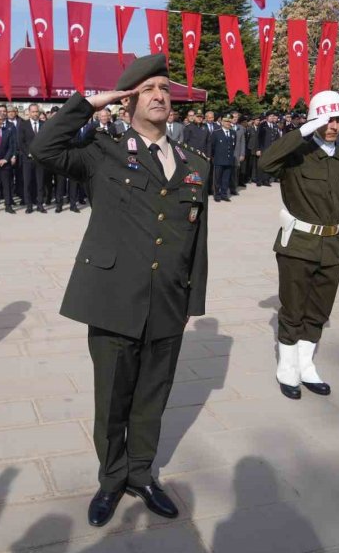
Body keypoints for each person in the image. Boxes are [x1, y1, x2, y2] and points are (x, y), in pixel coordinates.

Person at [31, 53, 209, 528]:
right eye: (148, 89)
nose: (160, 96)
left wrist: (193, 301)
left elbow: (198, 240)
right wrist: (88, 105)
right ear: (129, 100)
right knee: (112, 398)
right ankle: (111, 479)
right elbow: (43, 149)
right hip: (113, 299)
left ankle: (141, 473)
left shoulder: (195, 164)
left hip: (168, 300)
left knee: (154, 394)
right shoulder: (103, 150)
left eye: (166, 89)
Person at [259, 90, 339, 401]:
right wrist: (302, 130)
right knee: (293, 309)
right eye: (328, 119)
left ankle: (306, 366)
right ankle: (287, 368)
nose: (334, 126)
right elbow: (265, 163)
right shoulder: (296, 154)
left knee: (318, 310)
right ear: (316, 119)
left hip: (332, 245)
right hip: (298, 244)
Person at [18, 103, 47, 214]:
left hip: (40, 159)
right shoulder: (23, 125)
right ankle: (29, 205)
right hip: (28, 159)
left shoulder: (44, 124)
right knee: (28, 183)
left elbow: (46, 141)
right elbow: (21, 142)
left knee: (40, 183)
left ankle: (40, 205)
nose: (35, 114)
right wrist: (28, 153)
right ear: (29, 113)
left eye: (36, 112)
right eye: (33, 112)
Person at [210, 115, 236, 202]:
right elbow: (212, 146)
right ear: (222, 122)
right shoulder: (216, 133)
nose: (228, 123)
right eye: (226, 121)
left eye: (229, 121)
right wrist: (213, 157)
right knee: (217, 179)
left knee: (226, 179)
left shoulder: (233, 133)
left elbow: (233, 146)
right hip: (219, 159)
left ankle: (224, 194)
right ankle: (217, 194)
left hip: (229, 160)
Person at [255, 111, 281, 186]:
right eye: (270, 116)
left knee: (269, 164)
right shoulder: (262, 125)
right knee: (261, 164)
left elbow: (277, 138)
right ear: (267, 117)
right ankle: (259, 180)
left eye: (273, 116)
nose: (272, 117)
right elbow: (258, 138)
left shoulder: (275, 126)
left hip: (271, 149)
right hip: (264, 148)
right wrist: (258, 149)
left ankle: (266, 180)